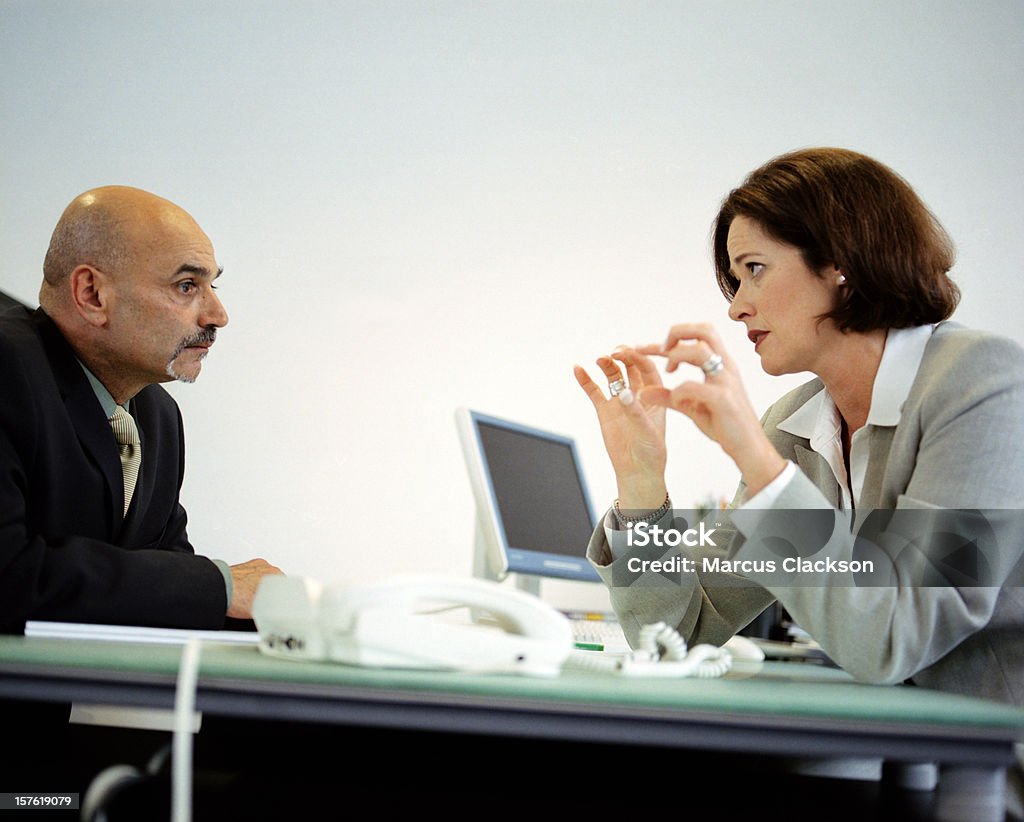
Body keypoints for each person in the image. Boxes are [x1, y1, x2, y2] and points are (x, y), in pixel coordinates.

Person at [575, 147, 1024, 816]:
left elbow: (897, 638)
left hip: (997, 774)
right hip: (923, 764)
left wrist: (760, 465)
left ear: (841, 263)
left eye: (754, 270)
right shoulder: (797, 425)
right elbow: (681, 629)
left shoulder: (984, 384)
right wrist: (643, 487)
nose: (736, 307)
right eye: (733, 279)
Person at [0, 185, 283, 794]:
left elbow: (157, 576)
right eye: (188, 287)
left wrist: (299, 624)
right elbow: (8, 574)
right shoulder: (5, 364)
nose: (217, 314)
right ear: (92, 294)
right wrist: (223, 584)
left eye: (213, 285)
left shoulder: (153, 414)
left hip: (37, 760)